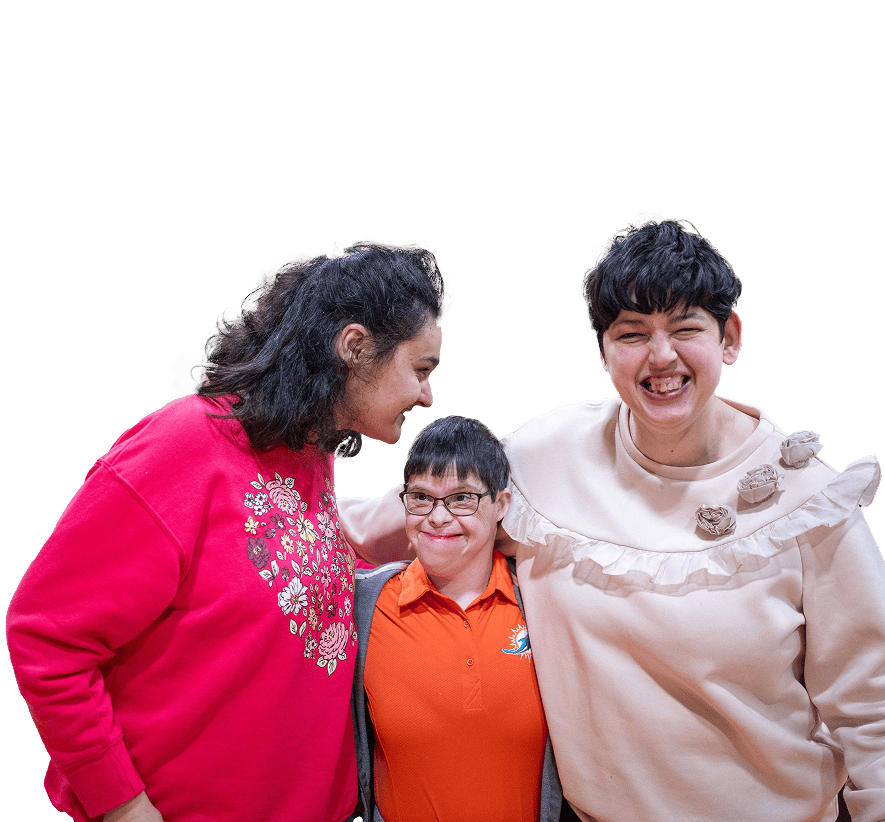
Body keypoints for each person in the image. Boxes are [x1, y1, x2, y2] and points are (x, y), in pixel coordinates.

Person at [338, 210, 885, 822]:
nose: (661, 356)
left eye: (685, 328)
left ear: (729, 336)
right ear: (603, 352)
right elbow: (411, 513)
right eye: (631, 333)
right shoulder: (547, 457)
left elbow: (874, 710)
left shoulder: (808, 502)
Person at [6, 237, 454, 822]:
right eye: (420, 370)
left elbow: (269, 582)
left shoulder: (306, 450)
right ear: (354, 347)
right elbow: (46, 635)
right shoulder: (183, 446)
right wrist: (121, 806)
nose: (427, 394)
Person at [352, 415, 562, 822]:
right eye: (421, 497)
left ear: (501, 505)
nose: (438, 517)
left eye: (462, 498)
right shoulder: (365, 604)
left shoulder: (543, 603)